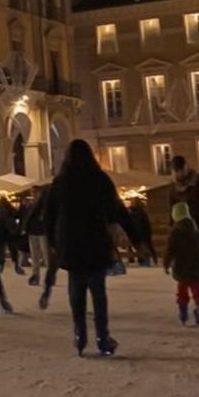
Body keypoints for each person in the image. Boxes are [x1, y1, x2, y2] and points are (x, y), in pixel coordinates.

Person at [45, 139, 141, 356]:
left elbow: (48, 216)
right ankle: (102, 336)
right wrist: (137, 238)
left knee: (76, 291)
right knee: (98, 293)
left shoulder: (60, 183)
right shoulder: (99, 179)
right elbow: (118, 211)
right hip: (95, 242)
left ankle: (80, 335)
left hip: (70, 244)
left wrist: (53, 242)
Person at [163, 201, 199, 326]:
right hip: (196, 268)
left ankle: (183, 312)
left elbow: (170, 250)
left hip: (181, 269)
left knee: (182, 292)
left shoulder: (175, 232)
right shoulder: (196, 231)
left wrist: (166, 264)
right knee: (198, 291)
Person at [169, 156, 199, 284]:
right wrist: (173, 225)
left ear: (186, 167)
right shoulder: (173, 188)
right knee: (193, 259)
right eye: (176, 171)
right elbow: (172, 208)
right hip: (186, 228)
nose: (179, 173)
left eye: (180, 170)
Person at [23, 187, 50, 287]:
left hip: (41, 231)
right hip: (34, 231)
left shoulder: (43, 203)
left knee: (44, 254)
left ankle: (47, 276)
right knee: (35, 255)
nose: (33, 194)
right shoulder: (32, 204)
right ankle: (36, 275)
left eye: (34, 192)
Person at [129, 198, 156, 266]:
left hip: (137, 232)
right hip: (142, 232)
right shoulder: (142, 213)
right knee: (145, 246)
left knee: (139, 247)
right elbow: (146, 224)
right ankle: (146, 259)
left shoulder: (133, 213)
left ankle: (142, 259)